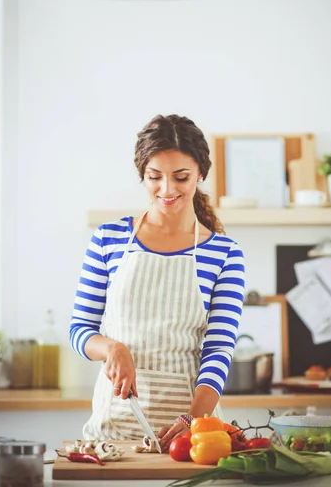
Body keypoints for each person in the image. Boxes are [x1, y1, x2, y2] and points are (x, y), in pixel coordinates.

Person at [70, 114, 245, 452]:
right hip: (113, 431)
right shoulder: (109, 239)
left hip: (194, 433)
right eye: (155, 177)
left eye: (181, 177)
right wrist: (112, 348)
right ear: (142, 176)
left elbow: (218, 350)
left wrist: (191, 421)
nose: (167, 189)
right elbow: (80, 329)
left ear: (201, 175)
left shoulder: (225, 254)